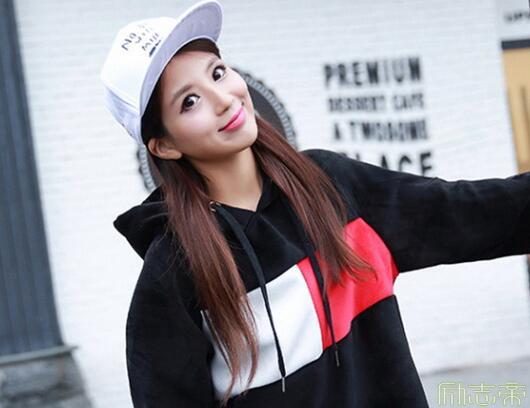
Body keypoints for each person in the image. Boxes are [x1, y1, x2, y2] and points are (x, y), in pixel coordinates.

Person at [100, 1, 530, 407]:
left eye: (217, 72)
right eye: (189, 101)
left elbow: (471, 213)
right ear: (165, 146)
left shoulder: (331, 185)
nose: (224, 98)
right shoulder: (173, 272)